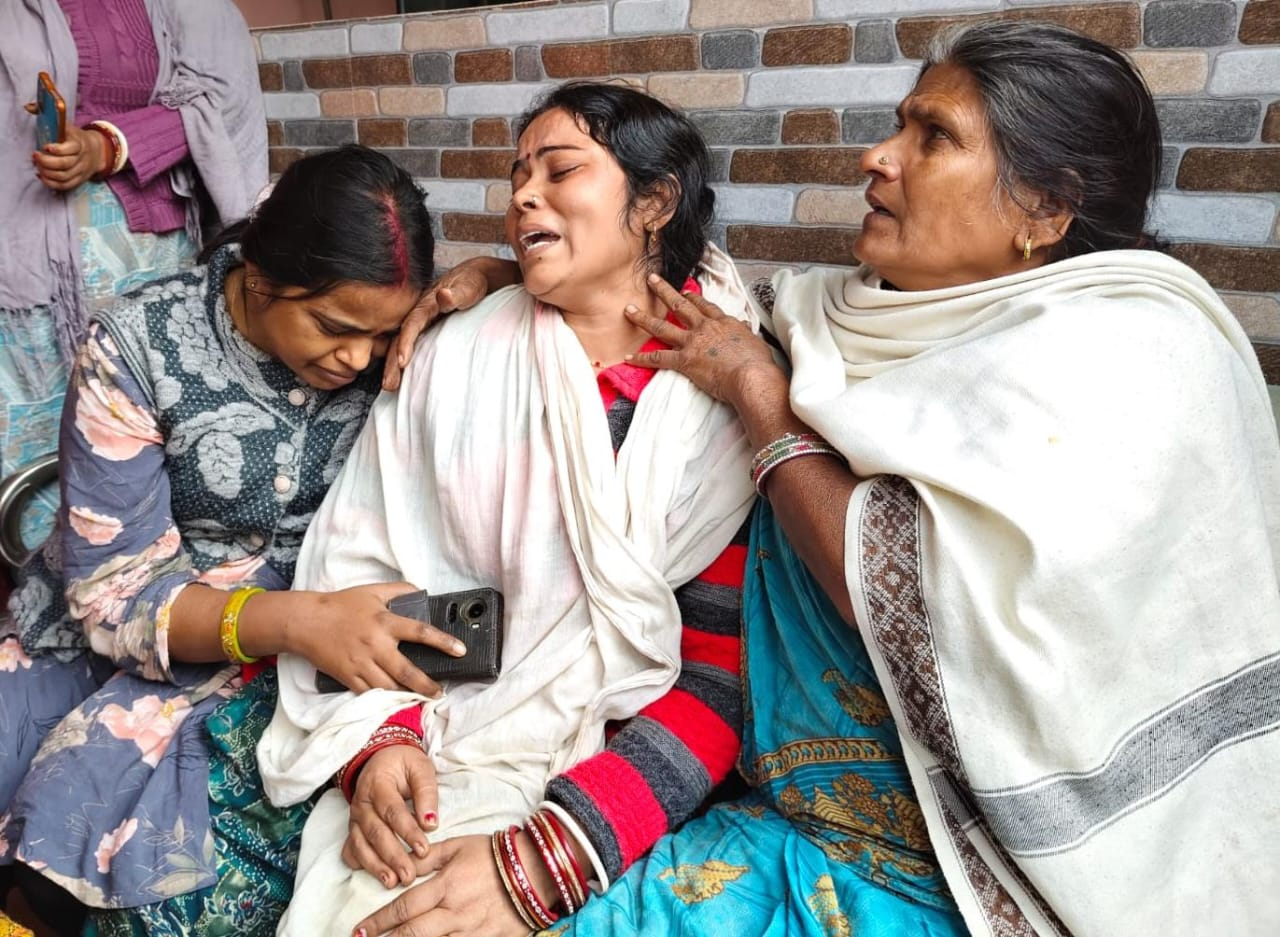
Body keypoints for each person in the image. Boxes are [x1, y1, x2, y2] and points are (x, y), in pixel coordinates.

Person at [402, 22, 1280, 937]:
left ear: (1046, 209)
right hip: (774, 820)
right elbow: (650, 299)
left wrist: (761, 399)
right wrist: (510, 279)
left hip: (984, 870)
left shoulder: (1142, 357)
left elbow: (918, 601)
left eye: (933, 137)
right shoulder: (829, 324)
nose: (878, 156)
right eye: (900, 124)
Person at [256, 83, 758, 937]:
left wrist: (552, 854)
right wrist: (378, 748)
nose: (523, 195)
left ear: (654, 202)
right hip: (430, 743)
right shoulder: (455, 353)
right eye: (518, 175)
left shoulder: (730, 392)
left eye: (559, 171)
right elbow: (361, 569)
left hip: (614, 788)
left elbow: (718, 675)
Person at [0, 146, 459, 936]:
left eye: (382, 336)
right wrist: (298, 620)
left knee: (114, 841)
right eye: (334, 327)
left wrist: (479, 279)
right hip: (108, 621)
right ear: (260, 275)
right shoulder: (137, 347)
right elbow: (113, 595)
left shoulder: (402, 347)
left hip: (290, 644)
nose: (359, 359)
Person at [0, 0, 266, 552]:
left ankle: (150, 586)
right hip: (15, 275)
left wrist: (108, 144)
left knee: (140, 436)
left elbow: (221, 97)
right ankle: (40, 589)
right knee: (25, 466)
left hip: (135, 261)